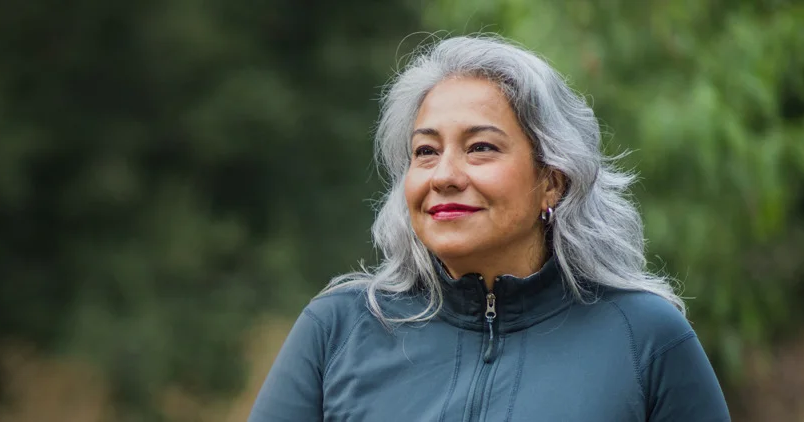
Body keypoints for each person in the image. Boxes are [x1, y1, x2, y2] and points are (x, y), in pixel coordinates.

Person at [248, 35, 730, 421]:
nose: (445, 175)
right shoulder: (338, 329)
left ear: (552, 181)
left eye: (480, 147)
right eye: (426, 151)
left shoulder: (644, 338)